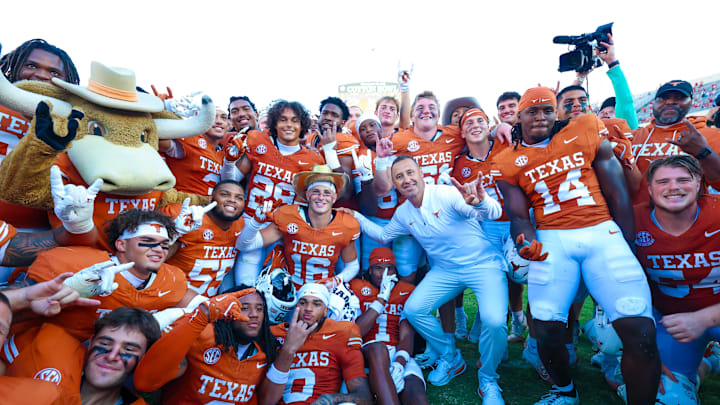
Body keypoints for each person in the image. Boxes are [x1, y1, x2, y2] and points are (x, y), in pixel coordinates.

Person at [494, 86, 660, 404]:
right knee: (544, 327)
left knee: (641, 333)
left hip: (601, 231)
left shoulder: (584, 128)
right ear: (520, 116)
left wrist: (628, 245)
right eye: (533, 110)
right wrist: (526, 241)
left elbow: (617, 194)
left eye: (547, 109)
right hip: (553, 239)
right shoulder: (506, 161)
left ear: (556, 112)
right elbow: (517, 215)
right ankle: (564, 391)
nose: (541, 116)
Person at [349, 155, 507, 403]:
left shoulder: (445, 193)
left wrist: (481, 202)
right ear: (394, 183)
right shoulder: (403, 212)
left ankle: (488, 378)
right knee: (414, 310)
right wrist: (355, 216)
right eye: (399, 177)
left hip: (483, 265)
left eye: (410, 173)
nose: (406, 180)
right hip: (446, 270)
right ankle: (451, 356)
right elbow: (382, 235)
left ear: (421, 173)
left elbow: (493, 212)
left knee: (495, 322)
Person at [2, 209, 199, 378]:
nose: (159, 250)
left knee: (177, 364)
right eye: (147, 241)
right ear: (121, 245)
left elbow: (203, 305)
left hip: (114, 359)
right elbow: (8, 303)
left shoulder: (172, 279)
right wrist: (63, 290)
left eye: (164, 244)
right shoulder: (76, 264)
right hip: (51, 348)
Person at [632, 155, 720, 401]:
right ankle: (708, 363)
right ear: (649, 189)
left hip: (712, 314)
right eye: (663, 182)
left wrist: (703, 319)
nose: (673, 188)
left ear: (699, 184)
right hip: (673, 322)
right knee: (670, 396)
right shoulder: (632, 219)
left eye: (683, 180)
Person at [225, 100, 325, 286]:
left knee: (274, 291)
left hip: (281, 229)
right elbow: (229, 181)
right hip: (249, 221)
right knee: (245, 286)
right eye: (283, 120)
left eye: (294, 120)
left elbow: (308, 203)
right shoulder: (258, 141)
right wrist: (229, 162)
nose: (289, 125)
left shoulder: (312, 159)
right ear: (274, 124)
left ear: (302, 125)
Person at [450, 108, 525, 345]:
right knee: (492, 279)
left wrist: (500, 127)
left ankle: (530, 336)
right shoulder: (459, 163)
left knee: (524, 275)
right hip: (485, 228)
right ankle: (490, 331)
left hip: (517, 222)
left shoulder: (506, 146)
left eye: (480, 121)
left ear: (488, 125)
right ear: (462, 131)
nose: (475, 125)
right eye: (469, 122)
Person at [134, 286, 285, 404]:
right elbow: (144, 381)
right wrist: (202, 315)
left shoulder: (265, 352)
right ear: (226, 311)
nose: (254, 314)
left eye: (259, 309)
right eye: (244, 307)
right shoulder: (202, 332)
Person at [236, 165, 360, 290]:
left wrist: (336, 280)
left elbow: (353, 266)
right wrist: (256, 222)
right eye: (316, 192)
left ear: (334, 198)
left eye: (327, 193)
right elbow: (244, 245)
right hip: (289, 291)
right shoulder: (289, 216)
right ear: (307, 195)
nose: (321, 197)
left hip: (323, 293)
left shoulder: (345, 224)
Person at [0, 39, 80, 230]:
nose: (41, 75)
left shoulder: (75, 119)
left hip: (42, 230)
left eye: (54, 72)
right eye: (31, 65)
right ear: (14, 66)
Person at [6, 306, 161, 404]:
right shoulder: (47, 346)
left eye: (128, 350)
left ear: (144, 359)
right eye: (105, 344)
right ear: (92, 342)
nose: (112, 356)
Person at [269, 282, 372, 405]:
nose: (308, 308)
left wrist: (332, 399)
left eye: (316, 304)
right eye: (303, 303)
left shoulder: (341, 333)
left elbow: (364, 397)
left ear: (325, 311)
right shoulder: (275, 334)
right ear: (296, 307)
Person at [350, 247, 428, 405]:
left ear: (395, 271)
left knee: (415, 391)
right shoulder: (357, 287)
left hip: (397, 352)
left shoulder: (406, 290)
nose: (384, 274)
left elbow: (407, 334)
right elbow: (356, 332)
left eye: (389, 269)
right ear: (370, 270)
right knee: (378, 348)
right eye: (378, 268)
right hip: (367, 351)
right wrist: (381, 299)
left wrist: (400, 363)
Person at [631, 80, 720, 204]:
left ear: (691, 102)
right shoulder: (632, 137)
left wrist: (704, 153)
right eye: (664, 98)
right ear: (654, 103)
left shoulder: (708, 135)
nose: (670, 102)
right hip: (636, 219)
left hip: (688, 220)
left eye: (679, 98)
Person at [161, 180, 246, 297]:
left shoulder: (240, 225)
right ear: (211, 198)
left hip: (207, 306)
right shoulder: (187, 216)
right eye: (225, 194)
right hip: (170, 298)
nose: (232, 200)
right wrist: (175, 232)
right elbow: (149, 259)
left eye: (239, 198)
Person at [162, 106, 230, 196]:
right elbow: (156, 139)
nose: (219, 121)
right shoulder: (191, 138)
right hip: (182, 205)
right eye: (213, 116)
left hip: (211, 207)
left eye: (223, 118)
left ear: (228, 125)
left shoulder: (225, 153)